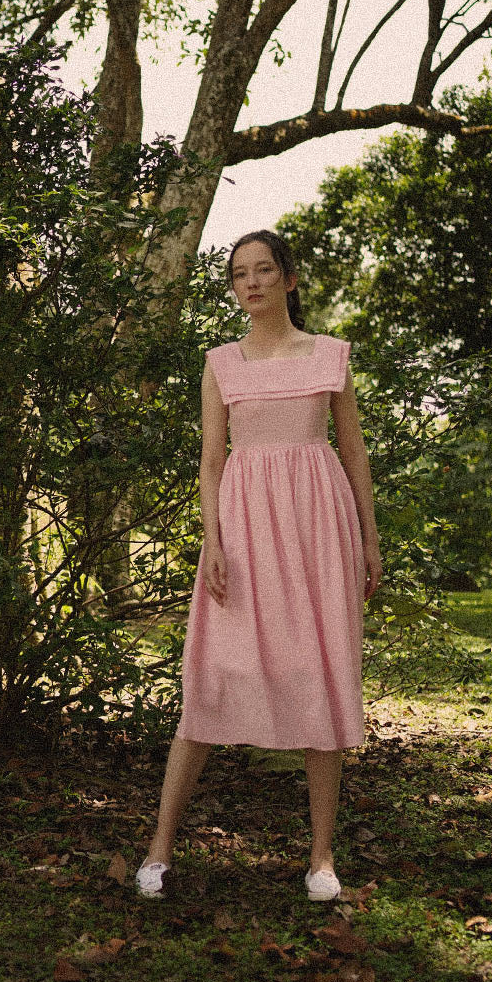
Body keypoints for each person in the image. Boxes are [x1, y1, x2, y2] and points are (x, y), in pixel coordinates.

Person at [136, 231, 382, 902]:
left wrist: (369, 537)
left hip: (317, 528)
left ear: (290, 279)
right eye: (240, 274)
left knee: (320, 673)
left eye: (265, 270)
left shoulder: (330, 356)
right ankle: (159, 850)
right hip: (243, 533)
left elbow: (353, 452)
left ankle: (322, 857)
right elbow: (212, 462)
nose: (252, 283)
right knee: (213, 676)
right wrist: (212, 540)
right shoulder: (220, 363)